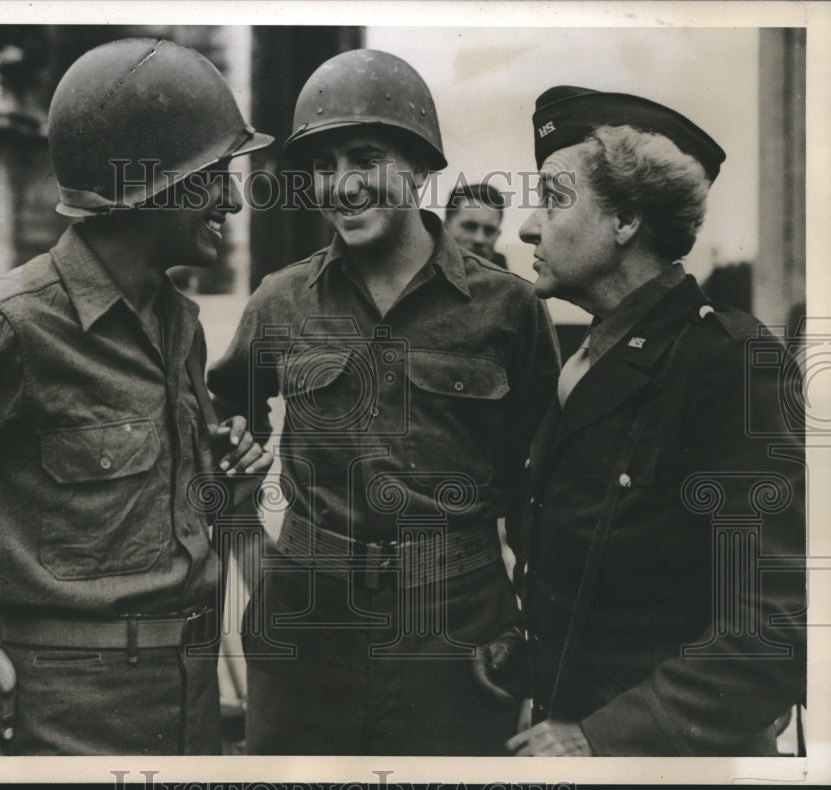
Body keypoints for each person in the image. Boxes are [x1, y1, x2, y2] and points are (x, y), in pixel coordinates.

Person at [0, 38, 274, 756]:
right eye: (215, 176)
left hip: (191, 704)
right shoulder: (8, 328)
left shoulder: (178, 324)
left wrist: (222, 483)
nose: (233, 199)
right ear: (151, 184)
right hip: (66, 719)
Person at [208, 49, 560, 755]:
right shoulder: (282, 300)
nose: (341, 186)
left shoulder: (509, 310)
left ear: (419, 166)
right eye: (322, 165)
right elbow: (224, 426)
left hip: (456, 629)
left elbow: (545, 487)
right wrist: (252, 542)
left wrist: (539, 634)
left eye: (365, 159)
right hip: (306, 629)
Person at [507, 86, 806, 756]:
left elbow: (775, 627)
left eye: (552, 199)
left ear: (624, 220)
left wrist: (598, 739)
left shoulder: (730, 363)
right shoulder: (583, 362)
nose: (527, 227)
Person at [445, 182, 508, 269]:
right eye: (469, 227)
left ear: (498, 235)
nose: (479, 239)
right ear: (445, 228)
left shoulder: (506, 276)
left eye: (489, 230)